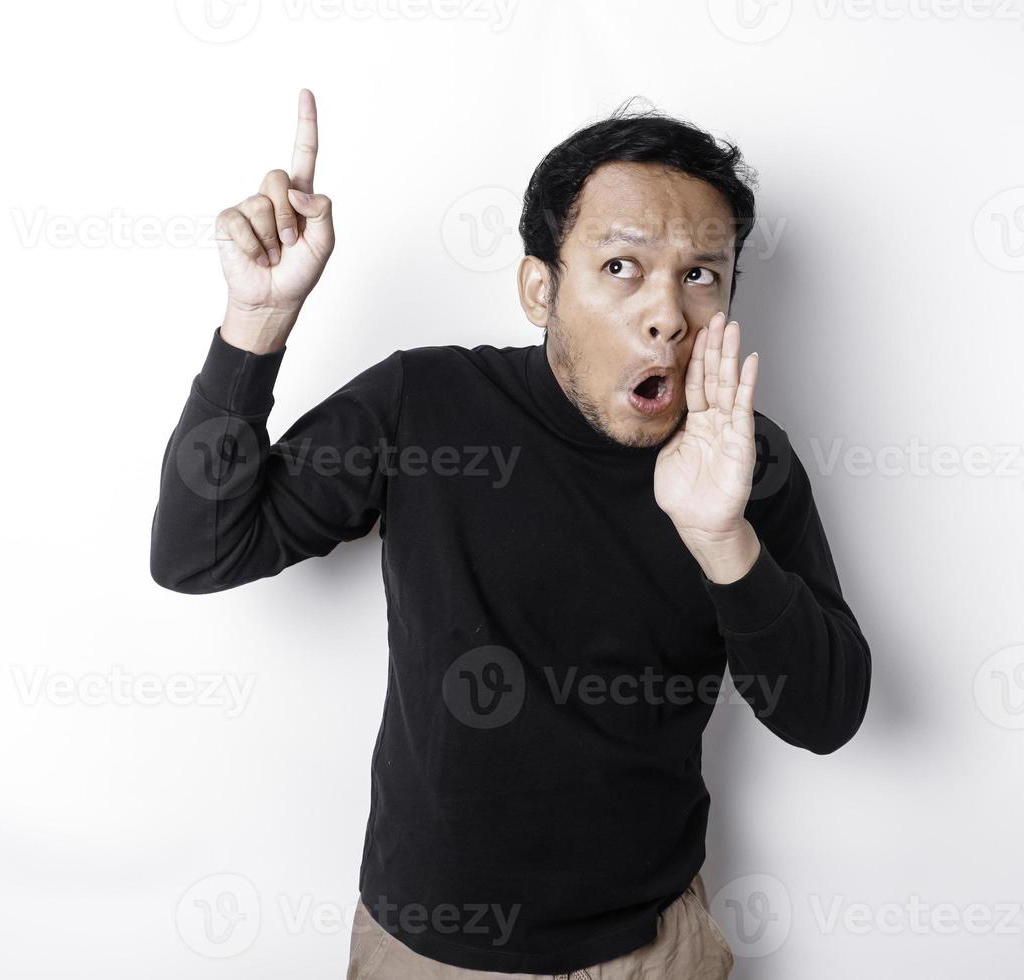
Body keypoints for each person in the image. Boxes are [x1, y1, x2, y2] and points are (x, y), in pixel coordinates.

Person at [151, 88, 872, 979]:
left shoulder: (746, 464)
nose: (668, 315)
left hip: (653, 947)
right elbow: (197, 551)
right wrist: (256, 325)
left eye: (701, 274)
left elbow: (828, 716)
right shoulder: (427, 404)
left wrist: (722, 538)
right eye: (622, 267)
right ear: (540, 287)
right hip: (431, 949)